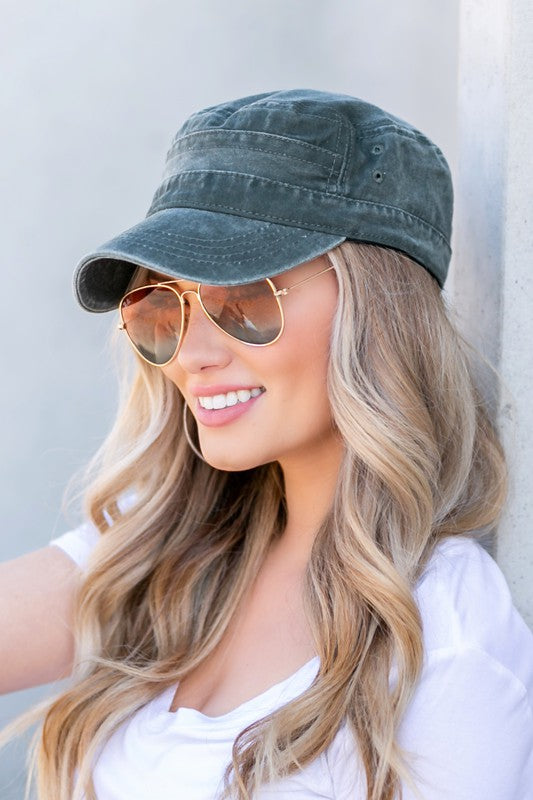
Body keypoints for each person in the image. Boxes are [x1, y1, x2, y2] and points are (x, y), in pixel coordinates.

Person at [1, 89, 532, 800]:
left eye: (244, 300)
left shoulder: (444, 633)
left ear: (375, 312)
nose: (191, 354)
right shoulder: (161, 541)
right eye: (163, 307)